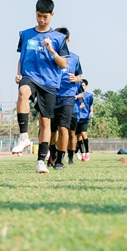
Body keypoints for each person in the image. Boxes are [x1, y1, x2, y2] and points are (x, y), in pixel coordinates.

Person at [12, 0, 69, 174]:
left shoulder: (59, 38)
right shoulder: (25, 34)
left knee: (45, 121)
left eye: (45, 16)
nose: (41, 20)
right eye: (38, 16)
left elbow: (63, 65)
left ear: (52, 15)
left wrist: (52, 50)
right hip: (30, 76)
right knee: (23, 91)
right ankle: (24, 136)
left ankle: (41, 161)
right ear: (35, 13)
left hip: (49, 82)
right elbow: (22, 57)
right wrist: (19, 72)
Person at [49, 27, 83, 170]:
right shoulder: (48, 55)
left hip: (68, 96)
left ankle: (59, 161)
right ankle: (52, 152)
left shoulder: (75, 58)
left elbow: (80, 76)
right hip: (50, 94)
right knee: (50, 131)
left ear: (68, 41)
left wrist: (76, 79)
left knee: (63, 128)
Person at [76, 79, 93, 162]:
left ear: (86, 86)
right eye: (80, 86)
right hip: (76, 117)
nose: (81, 87)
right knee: (78, 136)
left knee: (84, 134)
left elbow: (91, 105)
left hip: (85, 117)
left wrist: (91, 112)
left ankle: (87, 152)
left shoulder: (89, 95)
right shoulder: (76, 94)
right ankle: (82, 153)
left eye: (83, 85)